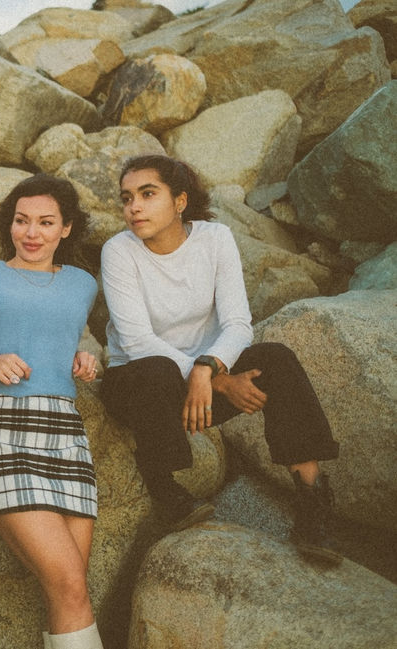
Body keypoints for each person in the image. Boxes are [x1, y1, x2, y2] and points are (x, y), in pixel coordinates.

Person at [99, 153, 341, 563]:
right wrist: (219, 380)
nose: (133, 207)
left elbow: (238, 324)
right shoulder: (119, 252)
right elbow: (137, 340)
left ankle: (311, 501)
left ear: (179, 201)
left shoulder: (215, 238)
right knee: (155, 369)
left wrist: (208, 367)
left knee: (275, 359)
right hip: (140, 387)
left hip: (200, 386)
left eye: (147, 194)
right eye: (126, 198)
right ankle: (164, 487)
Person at [0, 175, 104, 649]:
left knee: (69, 585)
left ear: (66, 229)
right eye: (21, 221)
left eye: (45, 222)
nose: (31, 233)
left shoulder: (82, 284)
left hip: (64, 431)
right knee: (69, 583)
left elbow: (60, 331)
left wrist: (85, 355)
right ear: (8, 224)